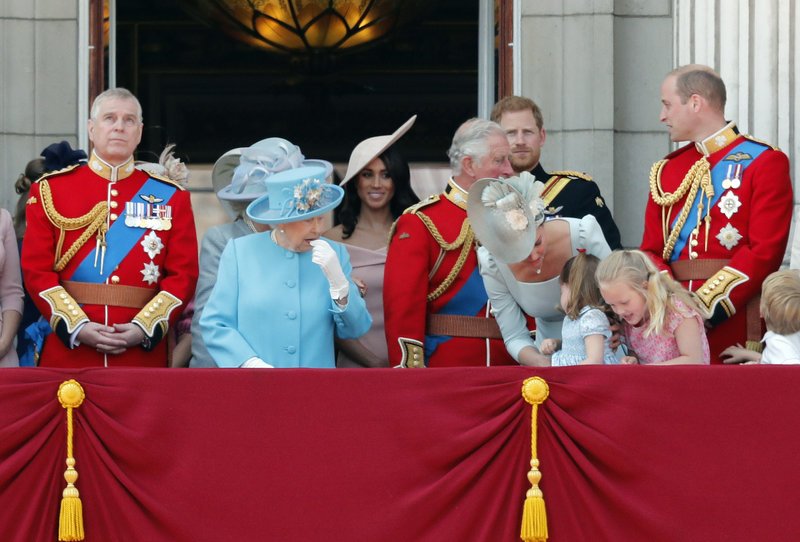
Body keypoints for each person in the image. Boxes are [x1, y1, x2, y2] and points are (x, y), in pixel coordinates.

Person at [21, 87, 198, 367]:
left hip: (140, 354)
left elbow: (183, 275)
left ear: (139, 132)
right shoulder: (50, 190)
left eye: (129, 120)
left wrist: (143, 328)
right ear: (91, 129)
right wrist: (77, 325)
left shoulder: (172, 197)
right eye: (109, 118)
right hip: (71, 352)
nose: (119, 127)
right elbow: (36, 271)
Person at [641, 64, 793, 363]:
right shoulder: (666, 170)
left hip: (734, 317)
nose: (662, 116)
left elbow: (765, 251)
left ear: (695, 103)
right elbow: (649, 251)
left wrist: (704, 306)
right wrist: (675, 307)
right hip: (673, 323)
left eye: (667, 104)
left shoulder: (764, 161)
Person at [200, 165, 371, 368]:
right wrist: (248, 362)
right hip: (254, 388)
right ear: (281, 221)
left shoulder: (335, 254)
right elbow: (215, 324)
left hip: (315, 390)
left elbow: (356, 329)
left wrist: (340, 284)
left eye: (321, 218)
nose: (319, 228)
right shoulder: (240, 252)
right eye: (308, 220)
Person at [383, 118, 517, 368]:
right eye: (500, 160)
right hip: (447, 370)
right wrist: (411, 375)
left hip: (512, 369)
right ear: (469, 165)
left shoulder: (514, 218)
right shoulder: (421, 221)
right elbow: (403, 311)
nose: (510, 169)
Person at [189, 138, 330, 367]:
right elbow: (207, 321)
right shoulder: (223, 240)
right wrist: (212, 382)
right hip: (234, 377)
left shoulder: (308, 241)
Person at [466, 172, 612, 366]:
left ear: (543, 224)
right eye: (519, 252)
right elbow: (514, 335)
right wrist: (546, 364)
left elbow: (619, 292)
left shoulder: (583, 233)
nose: (533, 256)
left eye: (537, 243)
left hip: (604, 350)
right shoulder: (493, 262)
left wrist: (616, 327)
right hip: (546, 357)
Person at [325, 116, 419, 368]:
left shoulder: (416, 235)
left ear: (396, 180)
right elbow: (324, 317)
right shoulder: (329, 242)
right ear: (356, 181)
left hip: (411, 368)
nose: (376, 184)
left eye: (385, 175)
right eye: (368, 174)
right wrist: (375, 363)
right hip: (352, 370)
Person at [491, 95, 622, 249]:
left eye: (527, 132)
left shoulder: (577, 191)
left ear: (542, 137)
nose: (520, 141)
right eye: (511, 133)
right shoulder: (483, 195)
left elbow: (611, 257)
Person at [596, 249, 709, 365]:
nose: (619, 311)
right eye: (612, 304)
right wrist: (633, 360)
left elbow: (693, 360)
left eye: (625, 302)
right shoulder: (629, 321)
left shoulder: (678, 311)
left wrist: (647, 370)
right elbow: (638, 355)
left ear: (645, 287)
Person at [539, 253, 618, 366]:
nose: (561, 297)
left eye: (562, 291)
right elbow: (577, 345)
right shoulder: (575, 318)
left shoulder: (592, 317)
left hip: (590, 378)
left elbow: (594, 360)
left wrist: (570, 376)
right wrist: (556, 344)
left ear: (574, 288)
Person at [722, 269, 800, 365]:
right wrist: (751, 356)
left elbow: (792, 370)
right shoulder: (787, 341)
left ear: (761, 311)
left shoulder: (777, 342)